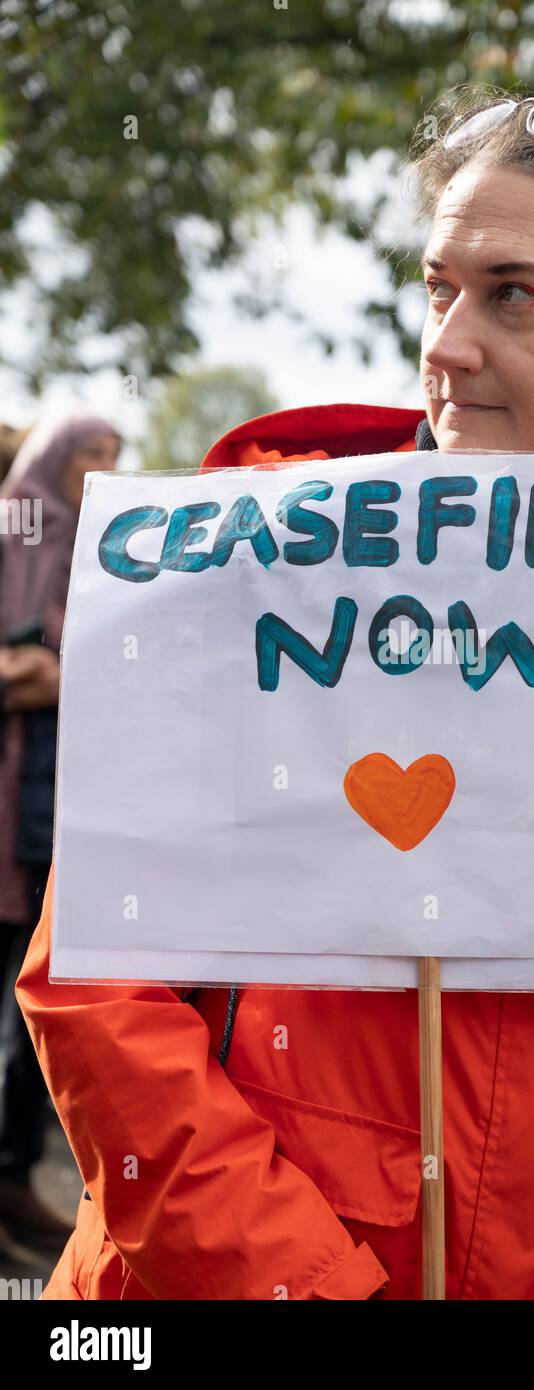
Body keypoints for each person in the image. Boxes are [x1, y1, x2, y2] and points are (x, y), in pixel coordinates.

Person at [16, 86, 534, 1300]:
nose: (445, 347)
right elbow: (97, 987)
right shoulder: (251, 576)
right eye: (437, 289)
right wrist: (312, 1292)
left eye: (512, 293)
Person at [0, 412, 121, 1250]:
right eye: (88, 451)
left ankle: (13, 1176)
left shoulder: (106, 546)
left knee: (36, 998)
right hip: (10, 791)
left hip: (59, 804)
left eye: (114, 454)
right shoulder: (13, 531)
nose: (102, 467)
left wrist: (67, 674)